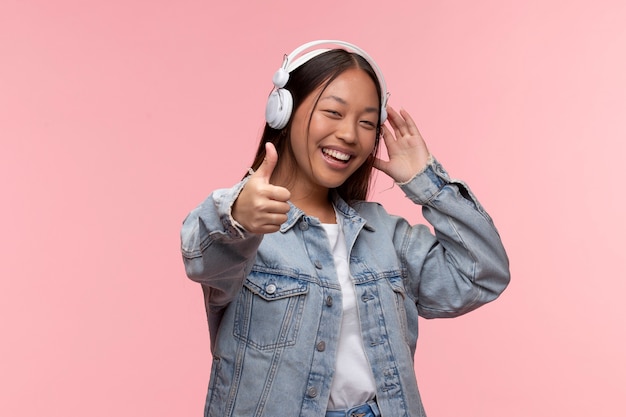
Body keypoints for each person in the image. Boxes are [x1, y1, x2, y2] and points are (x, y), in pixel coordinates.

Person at [180, 40, 510, 417]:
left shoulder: (383, 233)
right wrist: (237, 214)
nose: (351, 135)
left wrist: (426, 183)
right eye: (333, 112)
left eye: (366, 122)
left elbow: (483, 275)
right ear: (282, 113)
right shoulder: (246, 229)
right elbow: (199, 256)